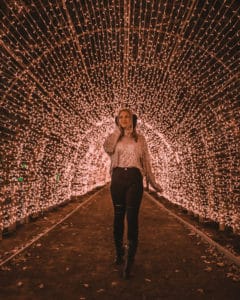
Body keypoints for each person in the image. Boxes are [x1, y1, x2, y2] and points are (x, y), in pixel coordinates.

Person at [103, 108, 163, 279]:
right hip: (118, 178)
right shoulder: (114, 138)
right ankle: (119, 252)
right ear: (117, 120)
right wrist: (117, 131)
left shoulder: (141, 139)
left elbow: (147, 162)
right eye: (120, 117)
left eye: (126, 117)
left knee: (132, 217)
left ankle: (130, 258)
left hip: (135, 179)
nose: (123, 119)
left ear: (132, 119)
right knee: (118, 216)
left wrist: (152, 181)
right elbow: (107, 148)